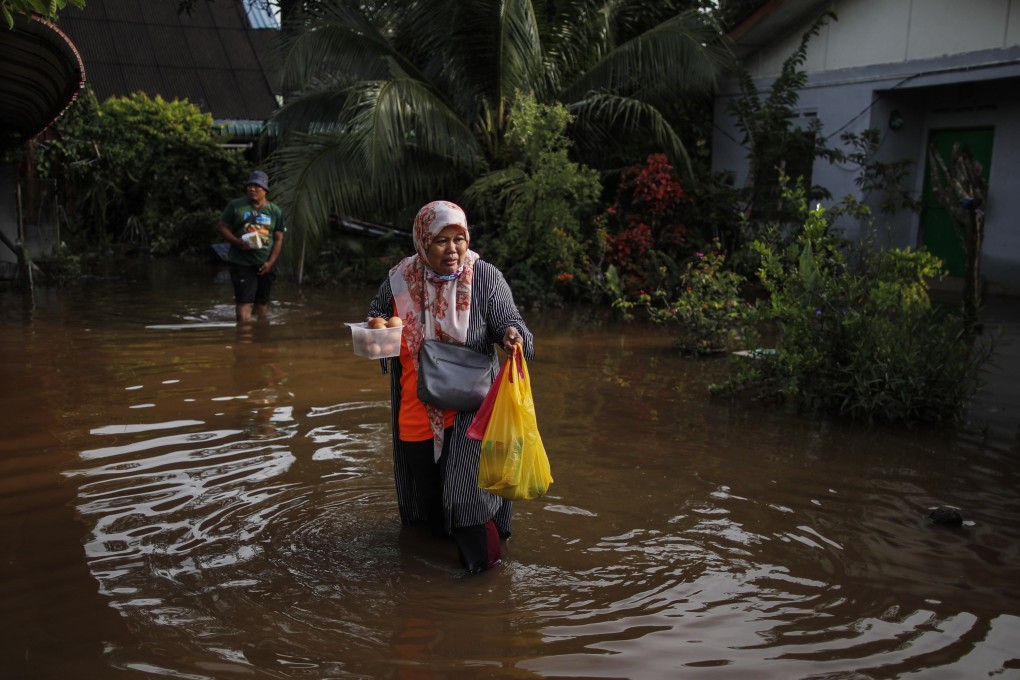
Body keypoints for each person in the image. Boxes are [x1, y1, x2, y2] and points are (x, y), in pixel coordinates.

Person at [368, 200, 533, 574]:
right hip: (416, 404)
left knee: (465, 495)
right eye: (442, 240)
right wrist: (377, 332)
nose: (453, 249)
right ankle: (431, 572)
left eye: (459, 238)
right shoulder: (399, 278)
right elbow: (376, 315)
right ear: (423, 242)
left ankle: (483, 574)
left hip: (470, 405)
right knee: (428, 501)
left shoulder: (485, 277)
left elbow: (512, 322)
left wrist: (512, 336)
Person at [217, 170, 286, 323]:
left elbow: (278, 239)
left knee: (262, 304)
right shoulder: (236, 206)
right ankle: (244, 341)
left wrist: (271, 263)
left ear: (265, 190)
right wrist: (236, 241)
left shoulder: (275, 211)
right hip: (241, 263)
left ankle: (261, 338)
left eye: (257, 186)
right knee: (244, 303)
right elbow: (222, 227)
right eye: (250, 185)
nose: (252, 189)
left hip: (264, 264)